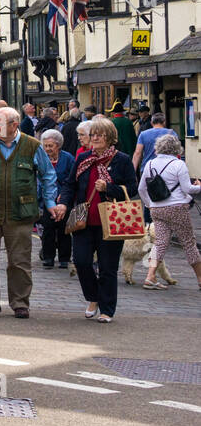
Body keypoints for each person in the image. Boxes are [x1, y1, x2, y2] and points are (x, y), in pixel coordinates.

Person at [0, 106, 60, 319]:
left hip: (21, 212)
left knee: (19, 259)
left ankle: (20, 302)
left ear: (14, 125)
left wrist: (49, 202)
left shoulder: (32, 146)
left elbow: (48, 175)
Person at [71, 116, 137, 322]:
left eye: (100, 135)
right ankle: (93, 297)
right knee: (81, 262)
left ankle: (107, 309)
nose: (96, 138)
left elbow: (132, 188)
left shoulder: (122, 160)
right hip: (84, 220)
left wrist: (109, 188)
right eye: (93, 135)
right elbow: (70, 184)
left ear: (110, 138)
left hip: (111, 221)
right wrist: (63, 202)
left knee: (108, 268)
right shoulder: (83, 159)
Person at [136, 132, 201, 291]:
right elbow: (187, 188)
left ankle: (150, 276)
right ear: (176, 148)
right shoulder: (179, 164)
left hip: (157, 209)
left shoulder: (150, 164)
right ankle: (200, 279)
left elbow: (141, 189)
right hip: (177, 207)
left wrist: (149, 204)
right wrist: (199, 186)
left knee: (159, 243)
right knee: (189, 244)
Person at [37, 129, 75, 269]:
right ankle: (48, 257)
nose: (48, 149)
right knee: (48, 228)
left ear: (58, 145)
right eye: (45, 146)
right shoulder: (41, 158)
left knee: (64, 228)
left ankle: (64, 258)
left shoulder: (68, 158)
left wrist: (64, 196)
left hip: (63, 199)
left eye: (50, 146)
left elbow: (71, 179)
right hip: (47, 199)